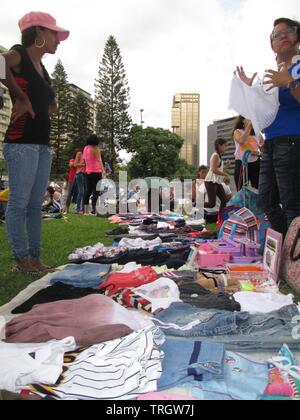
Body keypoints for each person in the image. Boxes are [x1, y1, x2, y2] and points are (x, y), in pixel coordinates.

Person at [0, 12, 69, 274]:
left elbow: (47, 104)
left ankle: (35, 259)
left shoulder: (44, 70)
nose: (58, 40)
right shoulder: (18, 54)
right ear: (39, 33)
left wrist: (49, 103)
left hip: (41, 145)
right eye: (54, 33)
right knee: (18, 202)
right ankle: (21, 259)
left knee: (34, 204)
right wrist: (19, 96)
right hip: (21, 143)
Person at [237, 18, 300, 235]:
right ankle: (285, 251)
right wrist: (250, 91)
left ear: (297, 36)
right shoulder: (273, 73)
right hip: (272, 144)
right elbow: (260, 113)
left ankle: (294, 263)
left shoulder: (298, 67)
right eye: (276, 34)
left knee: (292, 205)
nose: (282, 36)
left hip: (292, 141)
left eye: (288, 31)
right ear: (271, 44)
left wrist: (290, 82)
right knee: (266, 200)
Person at [233, 116, 263, 191]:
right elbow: (241, 141)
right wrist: (249, 127)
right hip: (241, 163)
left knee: (258, 188)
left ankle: (256, 202)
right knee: (241, 190)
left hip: (255, 163)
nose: (252, 119)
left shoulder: (257, 134)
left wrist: (258, 153)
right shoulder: (238, 131)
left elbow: (264, 149)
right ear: (243, 120)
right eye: (249, 117)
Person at [204, 138, 231, 211]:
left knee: (224, 200)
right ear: (219, 146)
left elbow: (217, 168)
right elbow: (214, 170)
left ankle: (220, 218)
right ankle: (194, 204)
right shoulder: (215, 155)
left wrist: (225, 167)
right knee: (211, 204)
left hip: (216, 182)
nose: (226, 148)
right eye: (225, 145)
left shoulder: (218, 156)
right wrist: (226, 175)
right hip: (210, 182)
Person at [83, 134, 105, 215]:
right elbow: (99, 160)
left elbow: (84, 159)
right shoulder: (96, 148)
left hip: (88, 172)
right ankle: (94, 210)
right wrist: (103, 170)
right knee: (96, 191)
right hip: (96, 171)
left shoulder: (85, 148)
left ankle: (85, 211)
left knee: (88, 190)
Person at [73, 148, 86, 214]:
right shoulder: (80, 153)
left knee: (86, 193)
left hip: (87, 174)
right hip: (80, 174)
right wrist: (84, 165)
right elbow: (75, 164)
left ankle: (83, 209)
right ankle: (77, 209)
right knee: (81, 192)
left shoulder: (88, 155)